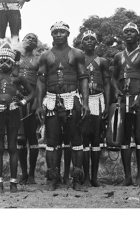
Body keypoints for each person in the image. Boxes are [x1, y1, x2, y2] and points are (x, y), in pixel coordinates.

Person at [35, 21, 90, 191]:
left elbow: (83, 79)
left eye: (62, 32)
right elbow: (41, 81)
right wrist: (38, 104)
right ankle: (53, 178)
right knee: (52, 141)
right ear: (51, 35)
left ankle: (76, 179)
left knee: (76, 140)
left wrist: (86, 103)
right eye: (56, 32)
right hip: (51, 99)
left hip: (72, 99)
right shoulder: (45, 55)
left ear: (68, 34)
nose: (59, 34)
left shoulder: (77, 54)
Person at [0, 39, 35, 193]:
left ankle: (14, 183)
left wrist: (22, 102)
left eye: (7, 61)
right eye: (1, 60)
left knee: (13, 147)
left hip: (14, 112)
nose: (4, 64)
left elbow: (32, 93)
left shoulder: (18, 79)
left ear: (12, 62)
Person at [112, 22, 140, 187]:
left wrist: (139, 98)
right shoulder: (117, 56)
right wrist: (116, 91)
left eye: (132, 31)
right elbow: (114, 78)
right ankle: (127, 177)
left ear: (138, 35)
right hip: (124, 101)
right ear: (123, 36)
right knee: (124, 137)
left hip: (139, 100)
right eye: (126, 32)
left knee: (138, 134)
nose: (129, 34)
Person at [81, 30, 110, 187]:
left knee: (96, 139)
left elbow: (107, 84)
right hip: (83, 100)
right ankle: (85, 177)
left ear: (96, 42)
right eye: (87, 39)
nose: (89, 41)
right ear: (82, 42)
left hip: (98, 100)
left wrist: (107, 102)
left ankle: (94, 177)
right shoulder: (78, 59)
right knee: (84, 138)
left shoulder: (102, 61)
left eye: (92, 39)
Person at [16, 33, 40, 185]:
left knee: (32, 136)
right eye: (28, 37)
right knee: (20, 137)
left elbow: (41, 82)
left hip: (32, 98)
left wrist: (37, 101)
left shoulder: (39, 59)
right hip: (17, 98)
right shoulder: (15, 57)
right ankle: (23, 173)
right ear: (22, 40)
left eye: (34, 38)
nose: (30, 40)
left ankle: (31, 175)